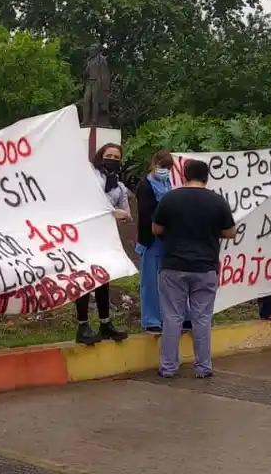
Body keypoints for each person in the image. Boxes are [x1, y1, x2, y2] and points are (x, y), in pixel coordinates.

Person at [151, 159, 235, 378]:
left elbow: (155, 228)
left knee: (172, 318)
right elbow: (230, 232)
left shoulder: (170, 198)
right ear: (206, 177)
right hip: (205, 267)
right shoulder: (217, 201)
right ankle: (203, 368)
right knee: (202, 319)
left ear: (184, 175)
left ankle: (168, 368)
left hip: (173, 267)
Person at [76, 143, 132, 345]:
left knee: (103, 279)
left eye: (117, 157)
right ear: (101, 156)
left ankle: (105, 323)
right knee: (83, 280)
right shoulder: (90, 177)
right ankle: (83, 325)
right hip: (84, 236)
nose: (113, 159)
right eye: (109, 155)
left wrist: (122, 215)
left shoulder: (118, 185)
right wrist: (111, 212)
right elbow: (85, 204)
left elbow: (126, 213)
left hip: (105, 238)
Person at [134, 151, 175, 333]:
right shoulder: (145, 186)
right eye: (162, 167)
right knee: (150, 281)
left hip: (168, 239)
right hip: (151, 239)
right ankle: (151, 321)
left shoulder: (167, 183)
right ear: (154, 164)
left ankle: (166, 318)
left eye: (168, 168)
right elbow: (146, 216)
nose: (164, 171)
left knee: (168, 283)